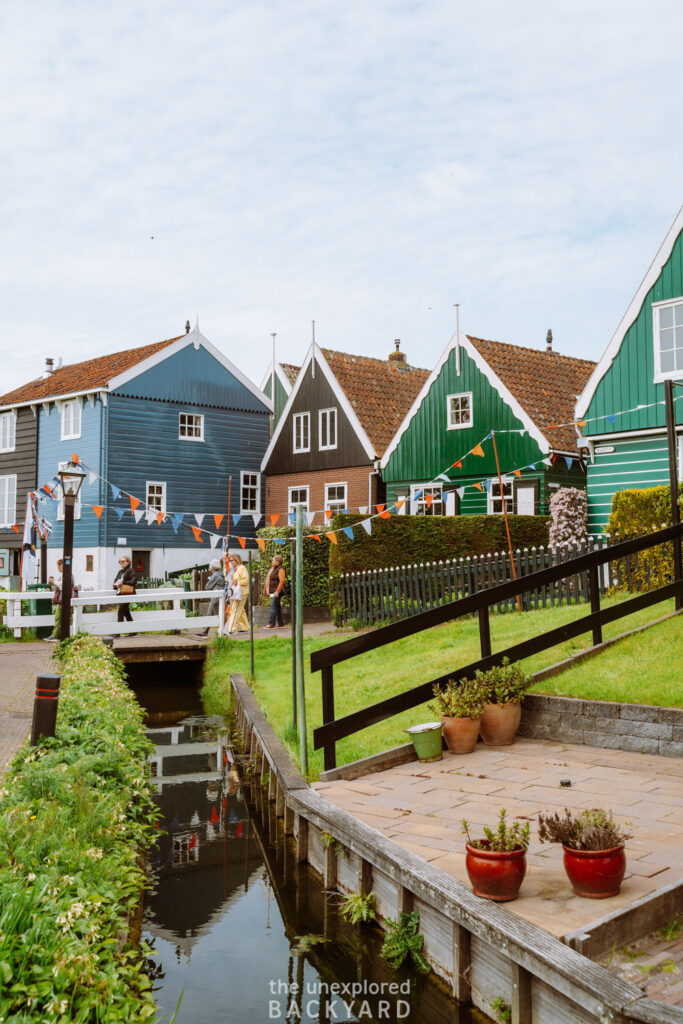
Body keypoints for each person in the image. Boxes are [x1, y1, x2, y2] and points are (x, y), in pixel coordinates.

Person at [45, 558, 78, 641]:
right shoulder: (69, 574)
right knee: (68, 617)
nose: (57, 568)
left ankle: (55, 635)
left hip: (63, 599)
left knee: (58, 616)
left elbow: (63, 585)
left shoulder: (66, 574)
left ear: (61, 565)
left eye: (58, 566)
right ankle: (68, 634)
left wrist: (54, 582)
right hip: (67, 599)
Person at [201, 558, 225, 636]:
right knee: (209, 614)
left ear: (211, 568)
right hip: (220, 597)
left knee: (218, 616)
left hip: (215, 598)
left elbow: (207, 586)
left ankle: (224, 632)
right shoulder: (222, 574)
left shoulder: (215, 575)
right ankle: (204, 631)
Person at [113, 554, 137, 632]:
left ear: (128, 562)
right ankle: (133, 631)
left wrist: (123, 583)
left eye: (123, 561)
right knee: (126, 613)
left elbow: (134, 581)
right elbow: (115, 581)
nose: (121, 563)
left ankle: (117, 632)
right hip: (120, 594)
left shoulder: (131, 570)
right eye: (119, 562)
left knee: (120, 612)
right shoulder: (120, 572)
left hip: (128, 594)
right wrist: (115, 585)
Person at [226, 553, 249, 633]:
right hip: (237, 592)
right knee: (240, 610)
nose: (231, 562)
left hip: (241, 592)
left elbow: (246, 580)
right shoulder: (236, 569)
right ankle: (245, 627)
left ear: (237, 560)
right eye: (230, 560)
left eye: (232, 560)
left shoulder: (242, 568)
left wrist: (237, 582)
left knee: (235, 610)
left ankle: (232, 628)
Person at [264, 554, 286, 629]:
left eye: (273, 560)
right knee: (277, 606)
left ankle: (271, 623)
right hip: (274, 591)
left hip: (277, 591)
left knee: (273, 606)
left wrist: (277, 591)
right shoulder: (274, 568)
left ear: (278, 561)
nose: (272, 561)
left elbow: (282, 581)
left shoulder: (280, 569)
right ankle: (280, 623)